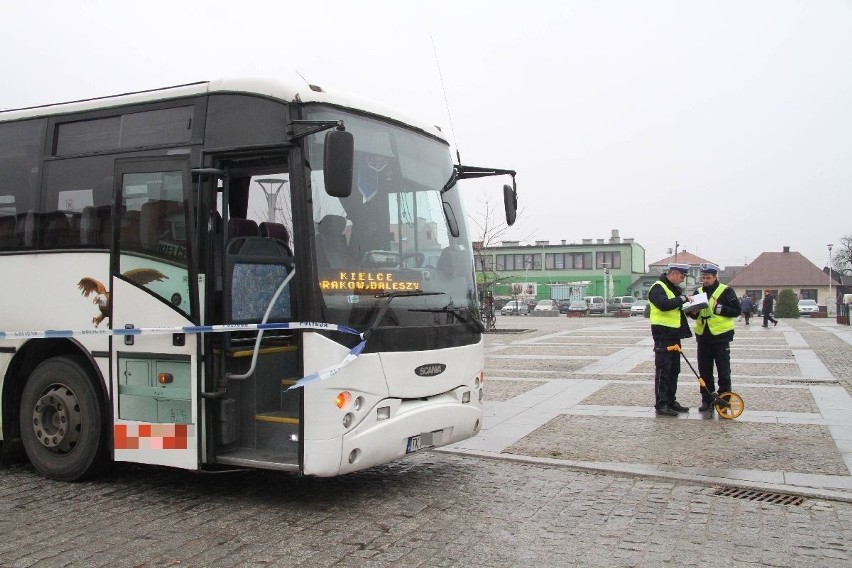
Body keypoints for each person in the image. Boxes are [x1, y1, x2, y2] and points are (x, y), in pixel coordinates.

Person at [688, 263, 742, 412]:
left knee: (723, 371)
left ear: (715, 277)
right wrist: (692, 311)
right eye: (703, 277)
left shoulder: (726, 291)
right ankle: (707, 400)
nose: (705, 280)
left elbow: (736, 310)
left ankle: (724, 400)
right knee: (704, 371)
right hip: (703, 336)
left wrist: (718, 308)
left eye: (708, 277)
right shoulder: (698, 291)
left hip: (721, 336)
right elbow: (693, 314)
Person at [648, 263, 694, 416]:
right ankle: (661, 404)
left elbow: (676, 309)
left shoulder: (674, 289)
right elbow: (663, 305)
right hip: (662, 334)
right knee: (664, 370)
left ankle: (670, 401)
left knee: (674, 369)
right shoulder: (658, 287)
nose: (682, 280)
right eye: (681, 276)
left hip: (674, 334)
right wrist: (682, 299)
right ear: (673, 273)